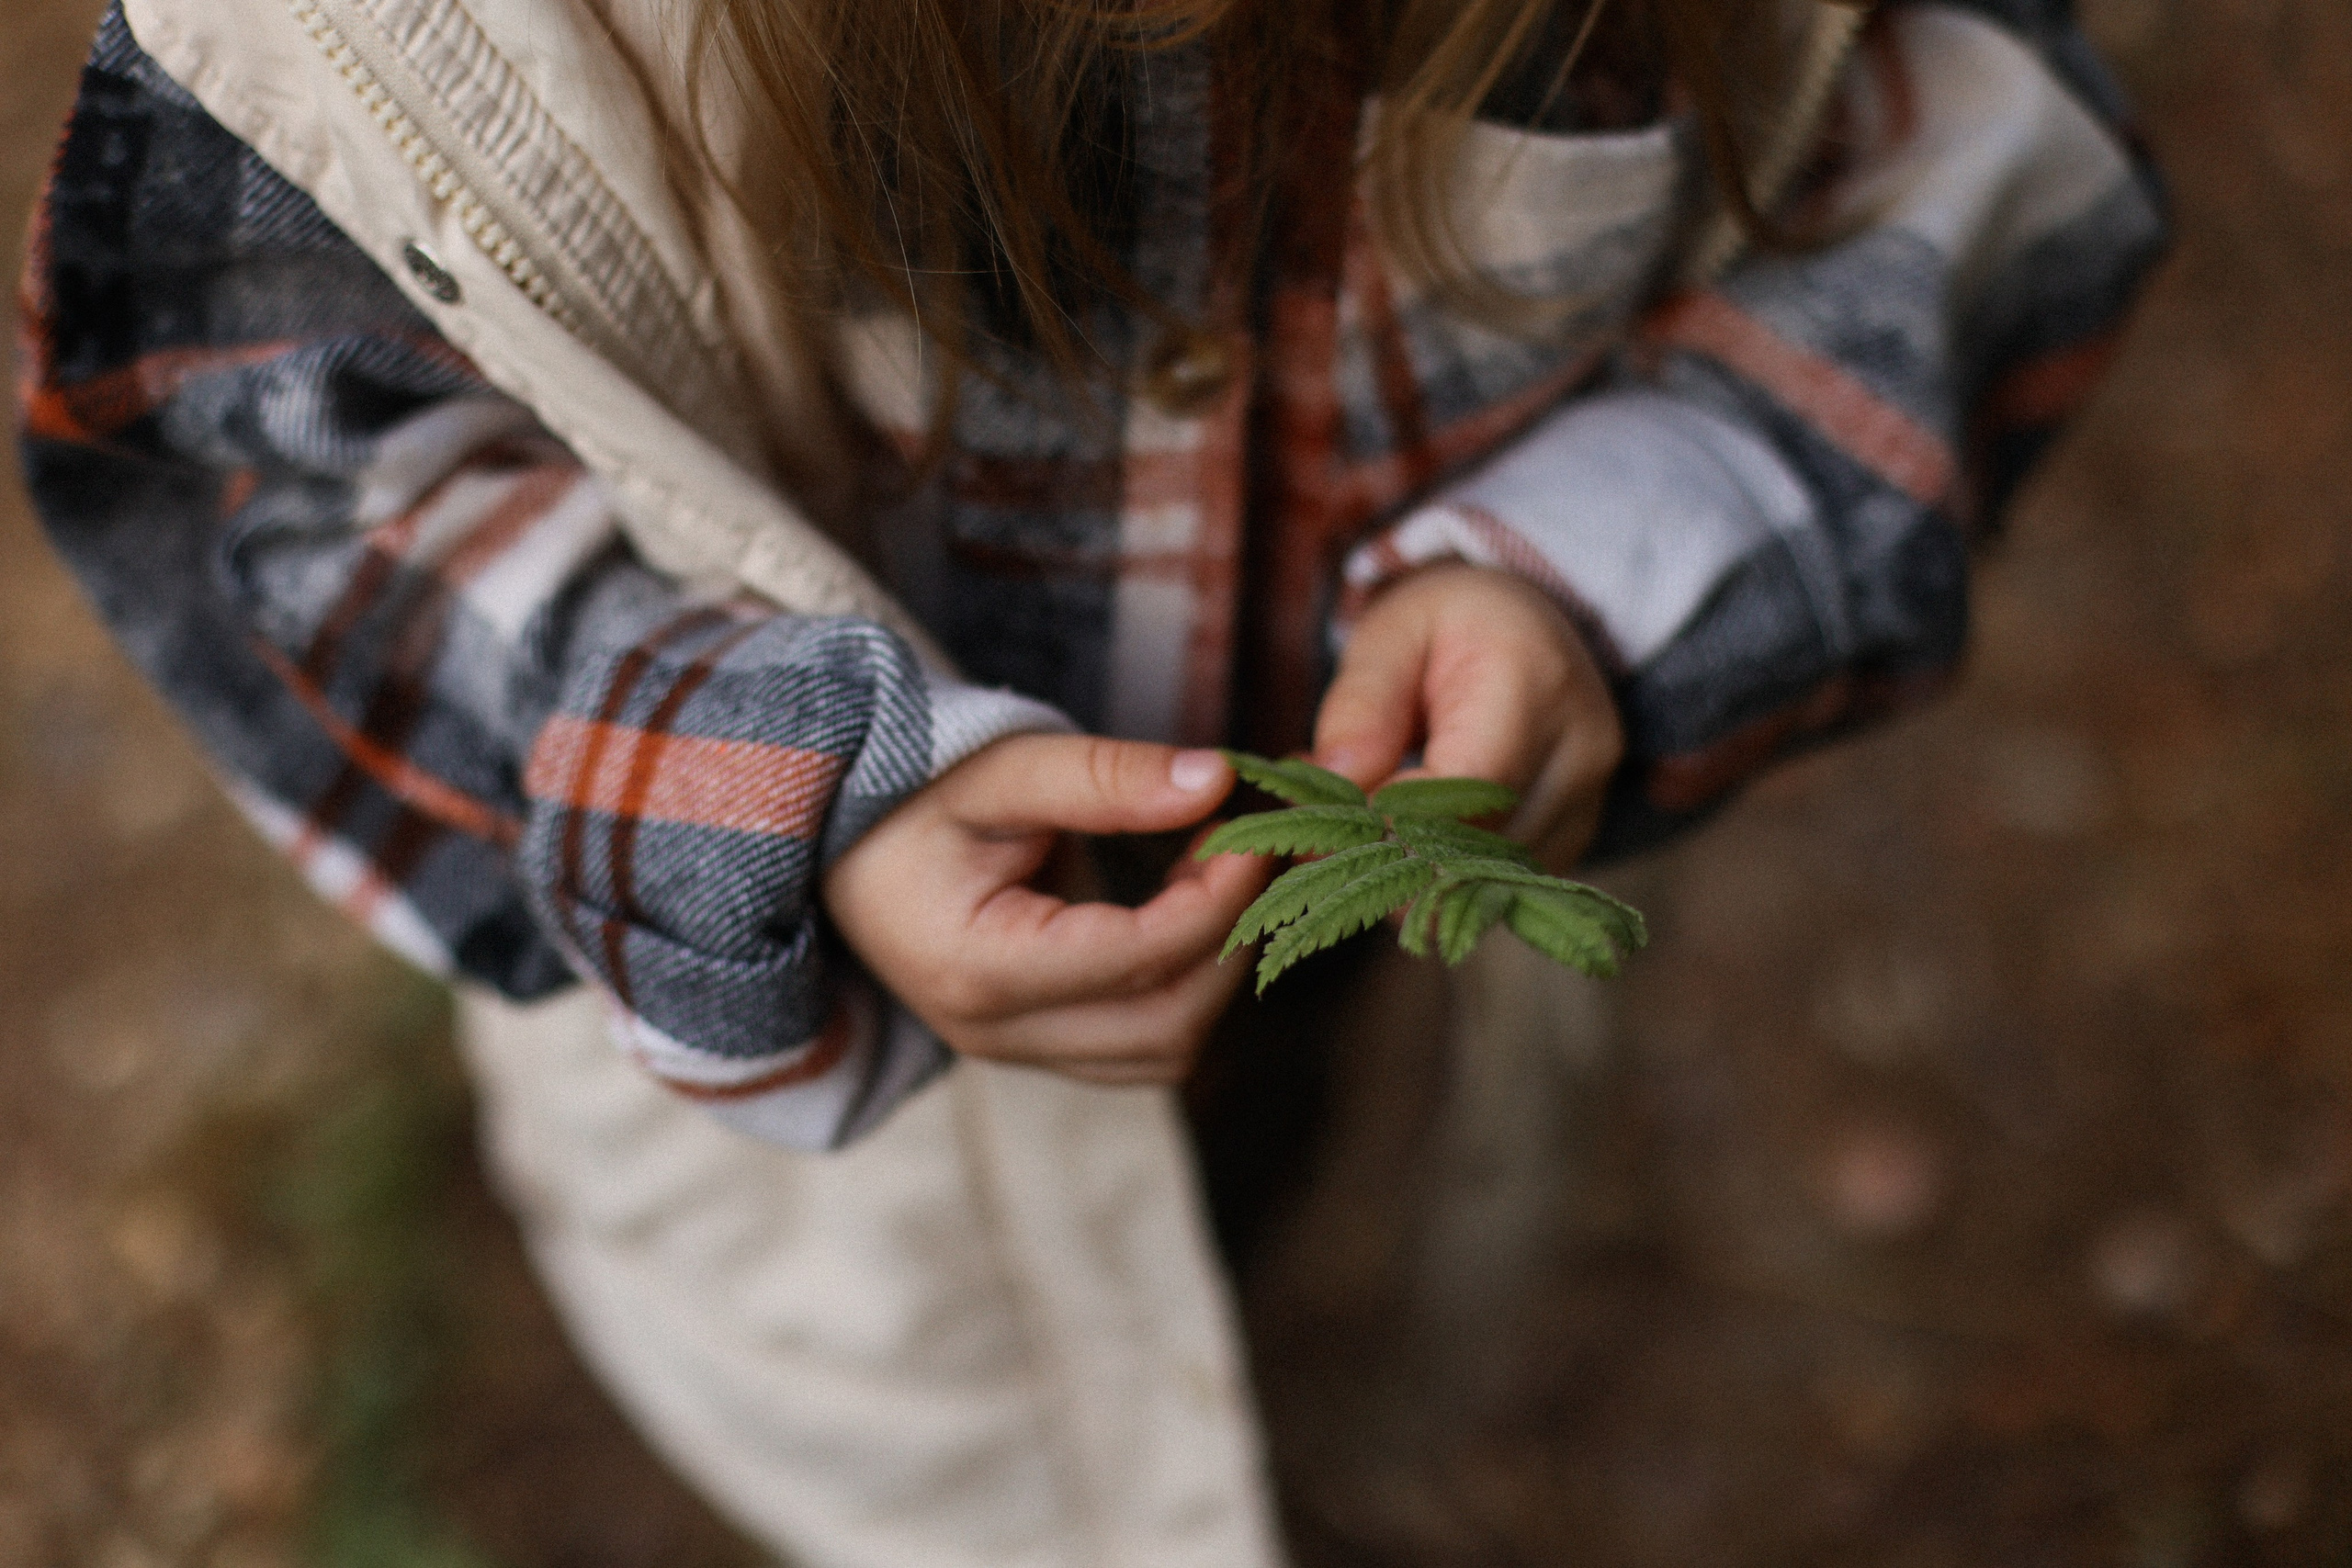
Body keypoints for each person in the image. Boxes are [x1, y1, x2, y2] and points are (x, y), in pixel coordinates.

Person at [20, 0, 2165, 1561]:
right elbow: (296, 485)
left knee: (1282, 1185)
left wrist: (1601, 570)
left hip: (1349, 921)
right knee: (934, 1454)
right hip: (831, 1165)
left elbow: (1968, 150)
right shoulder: (373, 42)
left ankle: (1256, 1302)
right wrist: (786, 806)